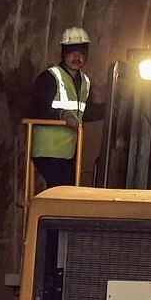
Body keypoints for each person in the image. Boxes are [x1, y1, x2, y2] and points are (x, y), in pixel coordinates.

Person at [29, 26, 96, 189]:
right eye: (72, 52)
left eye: (81, 52)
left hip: (68, 151)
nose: (77, 57)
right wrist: (63, 115)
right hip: (48, 151)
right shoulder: (50, 78)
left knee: (66, 190)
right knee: (62, 190)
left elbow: (87, 112)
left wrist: (115, 107)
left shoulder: (85, 82)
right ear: (63, 53)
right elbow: (36, 108)